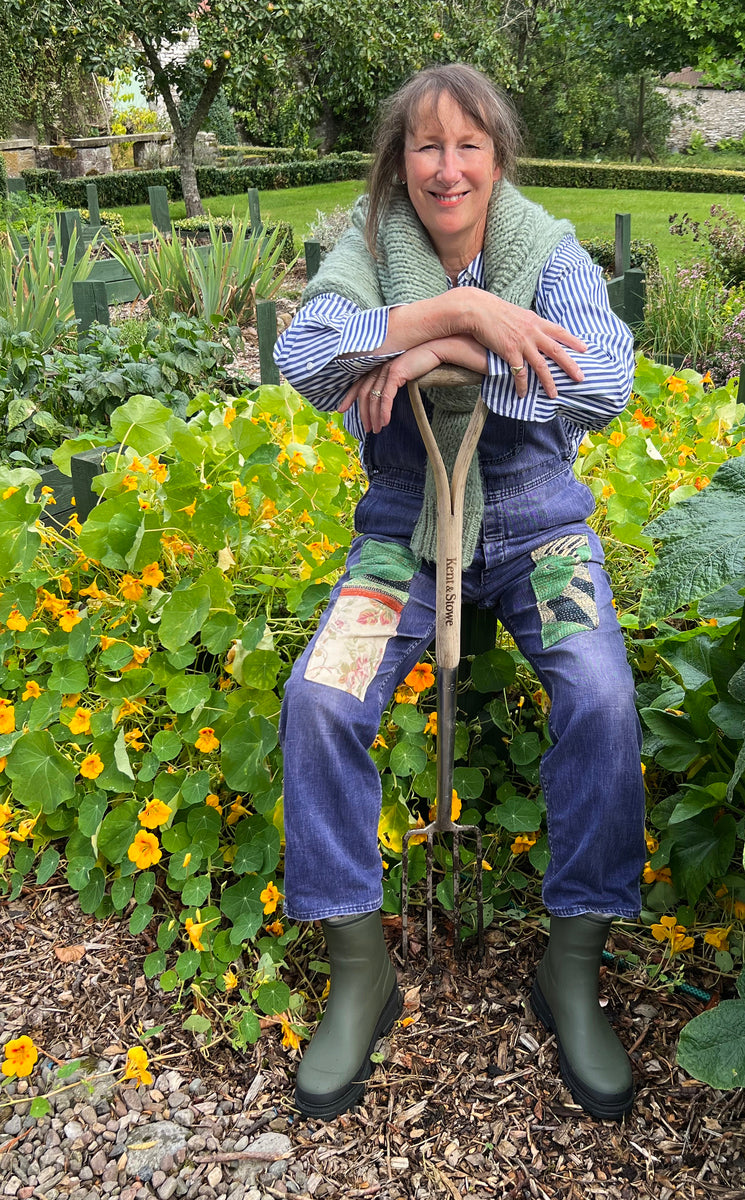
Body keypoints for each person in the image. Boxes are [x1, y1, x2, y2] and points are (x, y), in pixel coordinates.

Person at [274, 63, 645, 1124]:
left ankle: (569, 968)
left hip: (538, 524)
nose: (447, 168)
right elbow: (305, 355)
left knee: (601, 697)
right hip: (400, 531)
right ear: (401, 162)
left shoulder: (550, 251)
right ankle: (362, 976)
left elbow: (606, 379)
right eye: (425, 147)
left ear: (498, 158)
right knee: (321, 699)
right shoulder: (365, 249)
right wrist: (462, 310)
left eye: (468, 145)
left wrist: (437, 348)